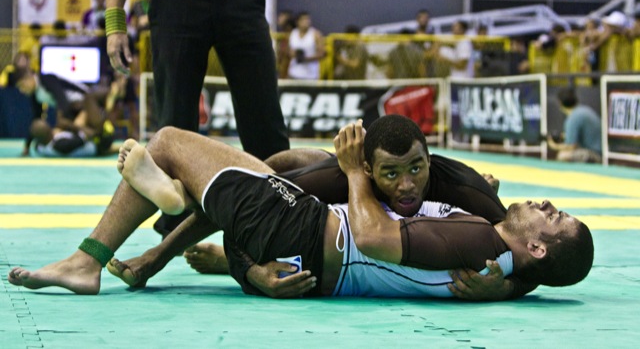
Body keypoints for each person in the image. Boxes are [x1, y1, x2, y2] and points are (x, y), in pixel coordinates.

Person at [8, 118, 593, 299]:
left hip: (308, 234)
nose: (547, 202)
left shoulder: (481, 228)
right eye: (389, 174)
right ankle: (173, 219)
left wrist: (355, 175)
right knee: (282, 164)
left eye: (555, 215)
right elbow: (530, 268)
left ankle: (107, 249)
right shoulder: (497, 246)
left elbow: (373, 239)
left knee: (164, 142)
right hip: (302, 237)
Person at [101, 0, 290, 237]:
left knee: (264, 119)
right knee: (174, 123)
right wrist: (114, 24)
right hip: (175, 0)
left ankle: (284, 213)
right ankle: (177, 226)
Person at [547, 88, 602, 163]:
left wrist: (553, 145)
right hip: (600, 150)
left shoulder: (572, 118)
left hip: (596, 154)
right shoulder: (583, 110)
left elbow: (571, 146)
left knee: (563, 155)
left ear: (560, 103)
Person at [287, 11, 325, 80]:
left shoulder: (315, 34)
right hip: (294, 72)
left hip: (310, 75)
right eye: (303, 20)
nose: (306, 22)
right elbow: (289, 51)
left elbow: (321, 54)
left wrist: (305, 58)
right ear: (297, 22)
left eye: (307, 19)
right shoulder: (293, 33)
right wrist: (296, 54)